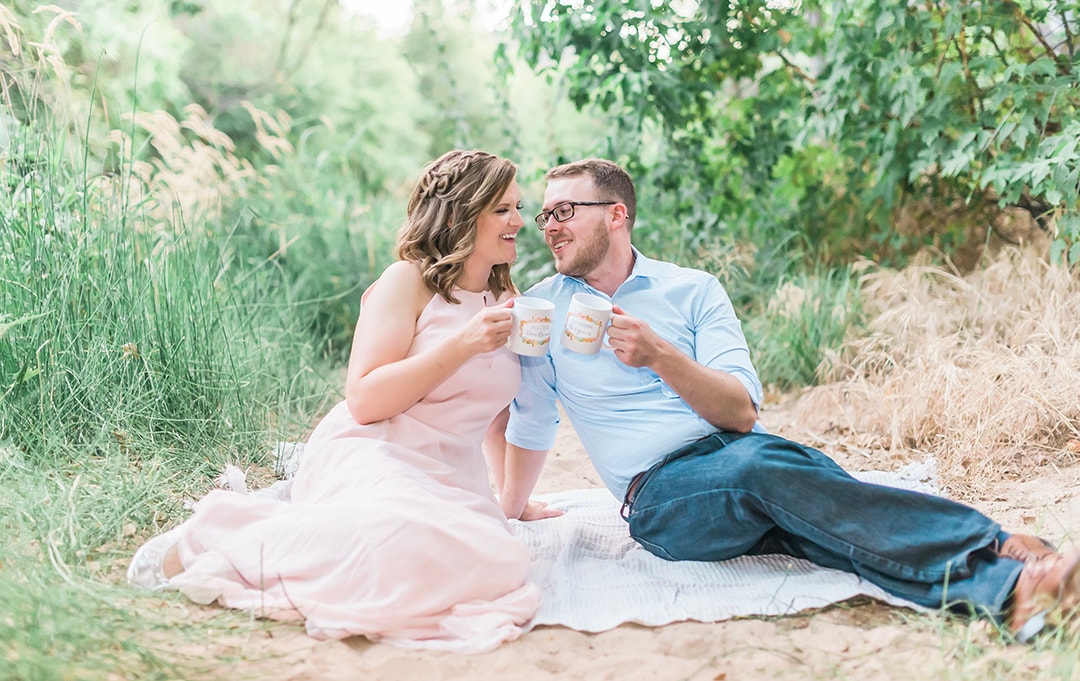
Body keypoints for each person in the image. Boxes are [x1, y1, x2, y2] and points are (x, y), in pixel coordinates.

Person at [496, 157, 1080, 642]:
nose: (548, 225)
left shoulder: (694, 290)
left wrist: (661, 356)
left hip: (739, 454)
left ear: (617, 215)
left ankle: (1009, 592)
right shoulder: (543, 309)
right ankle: (998, 542)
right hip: (662, 500)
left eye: (565, 211)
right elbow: (532, 419)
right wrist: (513, 506)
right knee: (767, 472)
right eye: (545, 214)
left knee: (827, 525)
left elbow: (741, 414)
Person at [126, 149, 556, 653]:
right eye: (503, 209)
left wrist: (513, 500)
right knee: (395, 533)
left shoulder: (507, 298)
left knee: (500, 562)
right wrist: (462, 345)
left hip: (450, 474)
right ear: (464, 212)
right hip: (377, 446)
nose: (520, 222)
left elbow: (491, 410)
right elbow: (365, 400)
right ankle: (219, 536)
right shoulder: (408, 282)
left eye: (519, 207)